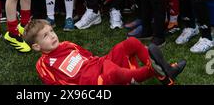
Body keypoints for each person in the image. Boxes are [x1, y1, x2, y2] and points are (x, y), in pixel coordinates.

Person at [23, 19, 186, 85]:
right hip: (91, 82)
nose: (52, 36)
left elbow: (88, 56)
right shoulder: (43, 64)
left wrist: (105, 61)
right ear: (37, 46)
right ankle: (157, 70)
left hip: (98, 64)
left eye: (51, 31)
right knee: (113, 73)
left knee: (131, 43)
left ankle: (164, 76)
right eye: (45, 36)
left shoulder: (67, 44)